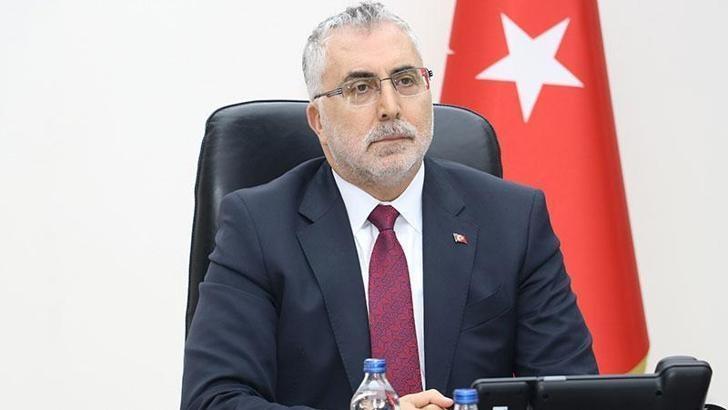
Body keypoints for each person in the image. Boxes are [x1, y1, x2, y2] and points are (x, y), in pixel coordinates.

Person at [181, 2, 598, 409]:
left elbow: (573, 397)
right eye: (360, 88)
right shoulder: (257, 227)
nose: (390, 107)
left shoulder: (513, 220)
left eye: (405, 80)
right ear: (319, 122)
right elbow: (214, 399)